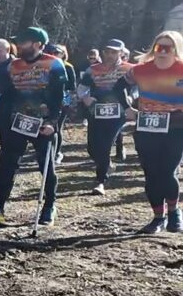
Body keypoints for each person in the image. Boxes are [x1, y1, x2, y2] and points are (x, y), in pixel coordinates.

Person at [0, 27, 67, 227]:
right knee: (6, 165)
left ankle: (49, 206)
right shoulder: (13, 65)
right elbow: (7, 95)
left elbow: (61, 97)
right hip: (16, 121)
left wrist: (52, 123)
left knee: (46, 165)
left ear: (37, 44)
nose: (18, 45)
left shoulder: (54, 64)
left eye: (23, 42)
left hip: (43, 122)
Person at [123, 31, 183, 234]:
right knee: (151, 174)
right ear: (153, 49)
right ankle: (158, 217)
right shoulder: (139, 70)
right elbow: (118, 87)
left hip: (176, 128)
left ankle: (174, 212)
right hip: (147, 127)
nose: (163, 51)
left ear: (176, 50)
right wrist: (128, 107)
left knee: (167, 171)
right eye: (159, 47)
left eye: (168, 47)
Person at [78, 39, 134, 195]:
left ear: (122, 53)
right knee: (92, 148)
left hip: (118, 113)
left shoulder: (130, 69)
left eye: (114, 52)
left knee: (105, 146)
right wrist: (85, 97)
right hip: (96, 111)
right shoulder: (93, 69)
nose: (110, 55)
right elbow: (83, 87)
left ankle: (100, 181)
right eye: (107, 52)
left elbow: (137, 87)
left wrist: (131, 98)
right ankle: (107, 164)